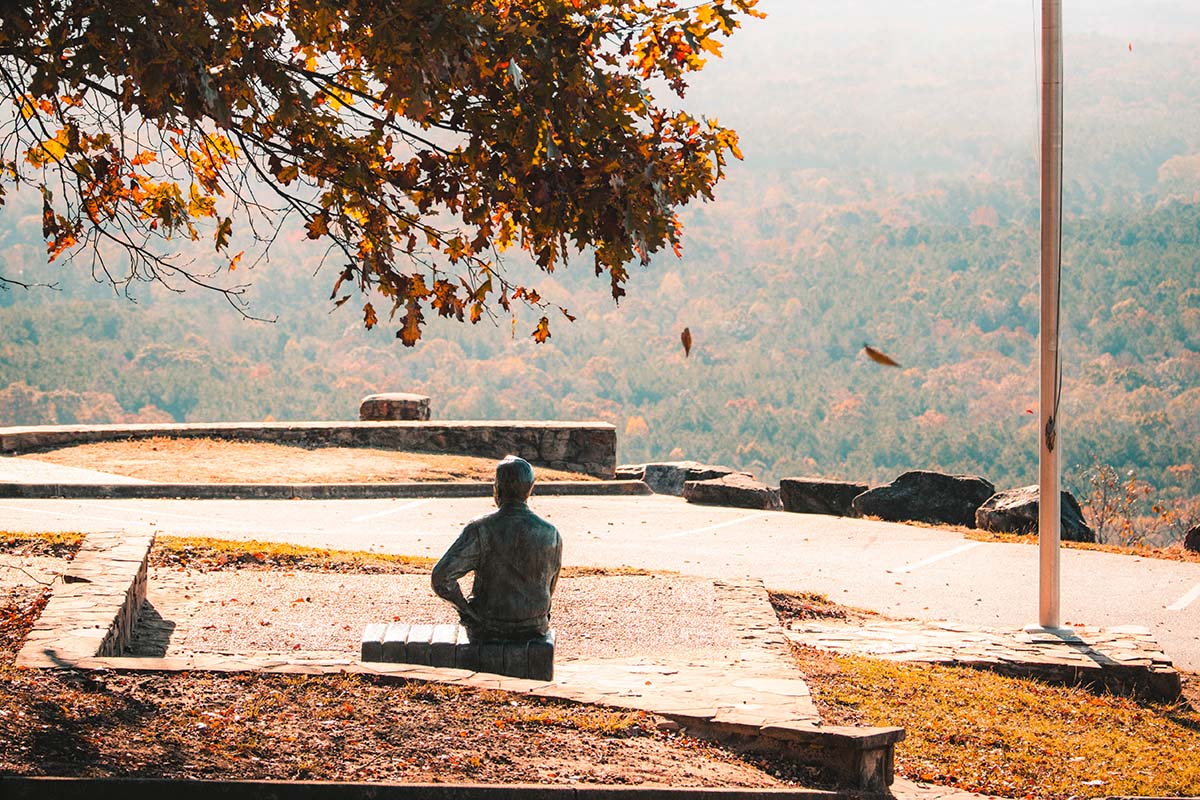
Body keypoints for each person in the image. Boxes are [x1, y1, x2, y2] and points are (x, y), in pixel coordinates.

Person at [431, 456, 562, 640]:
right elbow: (549, 586)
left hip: (488, 626)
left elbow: (441, 578)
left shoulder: (480, 529)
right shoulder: (551, 533)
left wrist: (468, 612)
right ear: (530, 489)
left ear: (497, 488)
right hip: (534, 625)